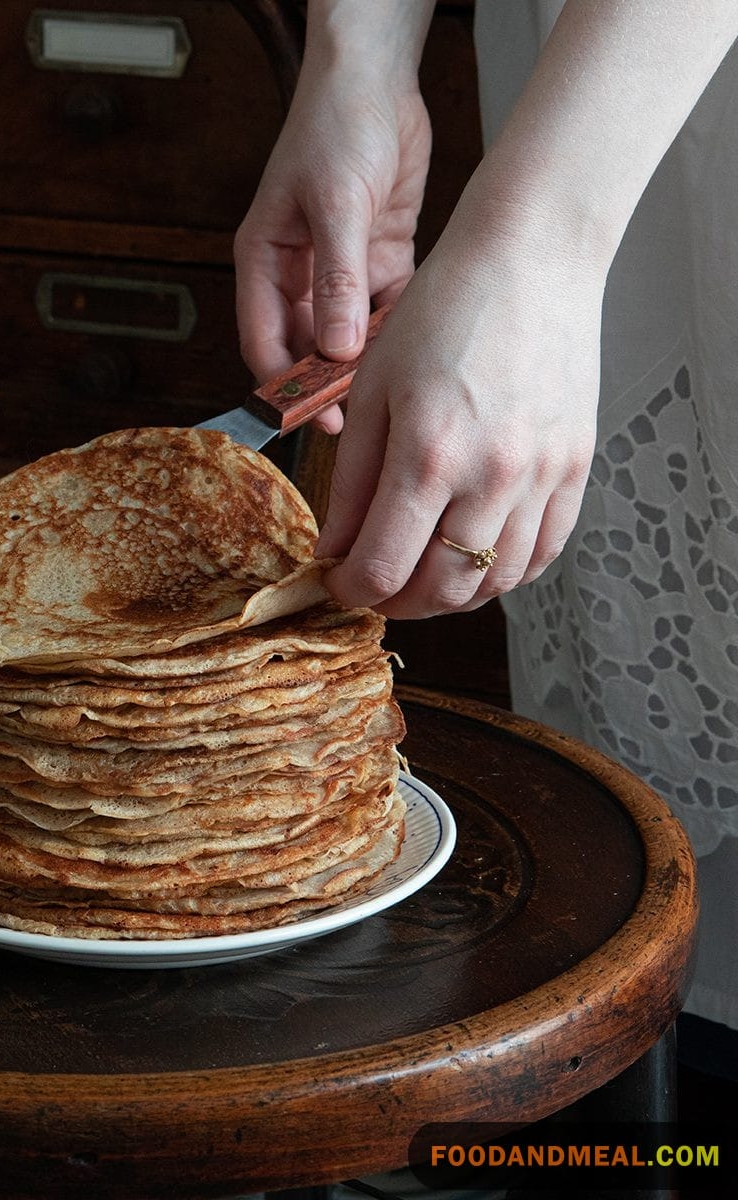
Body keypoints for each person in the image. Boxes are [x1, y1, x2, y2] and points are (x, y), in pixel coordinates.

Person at [235, 0, 738, 1120]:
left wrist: (542, 236)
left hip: (629, 119)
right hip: (581, 97)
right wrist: (359, 57)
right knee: (643, 950)